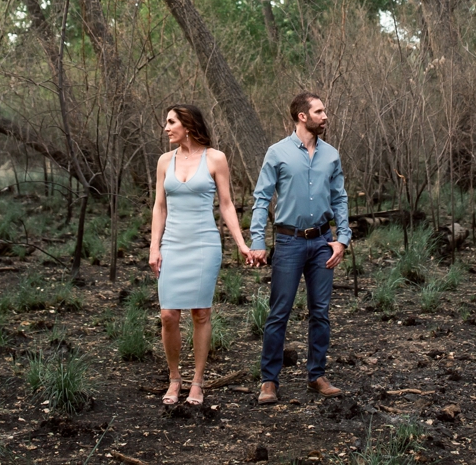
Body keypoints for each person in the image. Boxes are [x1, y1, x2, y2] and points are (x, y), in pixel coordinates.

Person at [247, 92, 351, 405]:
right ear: (302, 116)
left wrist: (342, 238)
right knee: (279, 313)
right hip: (289, 242)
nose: (326, 116)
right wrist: (257, 240)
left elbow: (340, 198)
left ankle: (316, 375)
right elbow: (262, 198)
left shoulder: (331, 155)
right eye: (319, 111)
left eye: (325, 110)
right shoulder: (277, 152)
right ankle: (269, 381)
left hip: (322, 243)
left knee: (320, 312)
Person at [149, 104, 252, 406]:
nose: (166, 128)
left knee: (200, 313)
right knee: (168, 314)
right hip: (173, 245)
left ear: (188, 124)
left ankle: (197, 381)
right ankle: (174, 378)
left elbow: (226, 204)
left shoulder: (215, 158)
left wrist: (241, 244)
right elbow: (160, 206)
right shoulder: (164, 161)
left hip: (204, 245)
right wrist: (155, 247)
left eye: (171, 122)